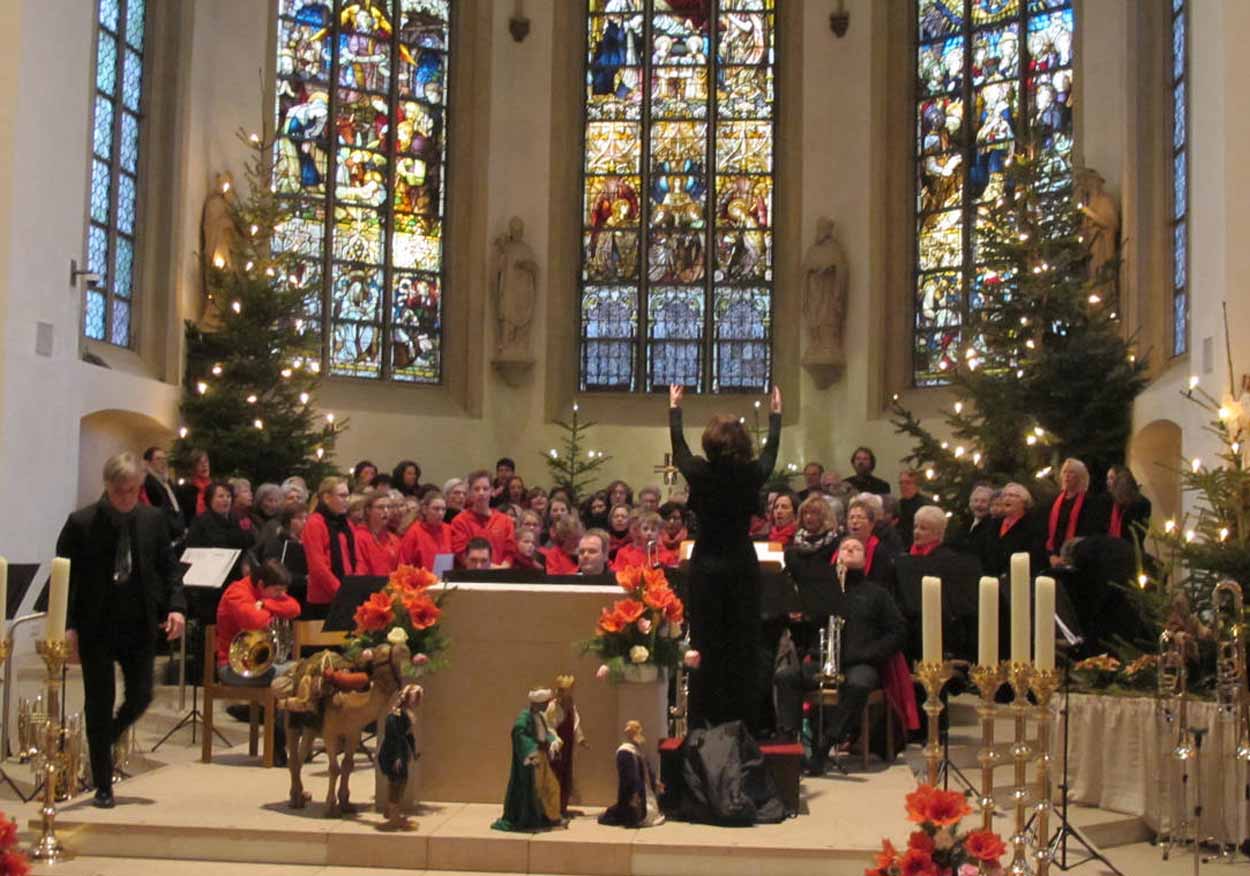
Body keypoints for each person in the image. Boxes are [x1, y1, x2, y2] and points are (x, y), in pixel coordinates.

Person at [57, 452, 187, 808]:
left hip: (138, 622)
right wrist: (67, 627)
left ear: (140, 487)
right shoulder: (81, 523)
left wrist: (176, 607)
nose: (126, 498)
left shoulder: (152, 519)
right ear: (107, 487)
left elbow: (169, 568)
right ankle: (103, 786)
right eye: (119, 491)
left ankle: (109, 736)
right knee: (98, 703)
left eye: (131, 490)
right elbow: (64, 580)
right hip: (96, 625)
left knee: (142, 694)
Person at [670, 382, 781, 732]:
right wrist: (776, 416)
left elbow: (679, 448)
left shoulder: (700, 473)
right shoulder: (751, 474)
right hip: (741, 565)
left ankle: (705, 720)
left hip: (707, 564)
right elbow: (770, 454)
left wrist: (675, 410)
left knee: (706, 640)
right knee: (742, 643)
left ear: (710, 442)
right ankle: (743, 722)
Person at [776, 537, 907, 774]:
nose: (850, 550)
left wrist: (869, 653)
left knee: (860, 683)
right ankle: (792, 745)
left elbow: (897, 631)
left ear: (865, 559)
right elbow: (806, 628)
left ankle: (824, 745)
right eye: (845, 547)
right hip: (823, 660)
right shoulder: (823, 590)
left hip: (859, 663)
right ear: (837, 556)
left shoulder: (877, 594)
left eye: (857, 548)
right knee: (786, 676)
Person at [215, 560, 300, 687]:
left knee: (301, 670)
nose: (282, 594)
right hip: (233, 668)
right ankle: (280, 707)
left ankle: (280, 707)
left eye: (284, 590)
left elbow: (294, 608)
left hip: (263, 665)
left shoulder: (266, 595)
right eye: (278, 590)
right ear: (261, 584)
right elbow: (256, 622)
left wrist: (265, 604)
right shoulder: (237, 592)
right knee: (297, 673)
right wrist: (274, 608)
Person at [491, 687, 563, 832]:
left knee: (552, 786)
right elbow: (519, 733)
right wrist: (531, 751)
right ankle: (535, 818)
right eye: (545, 702)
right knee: (535, 790)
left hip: (542, 757)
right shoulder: (524, 717)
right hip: (533, 758)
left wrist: (552, 741)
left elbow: (544, 733)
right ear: (538, 703)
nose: (547, 705)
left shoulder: (540, 716)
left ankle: (552, 816)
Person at [302, 476, 360, 615]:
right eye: (342, 496)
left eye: (347, 496)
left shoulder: (347, 524)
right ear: (327, 498)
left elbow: (358, 558)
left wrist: (356, 586)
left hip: (348, 595)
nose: (347, 500)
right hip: (323, 600)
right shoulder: (315, 523)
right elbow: (317, 566)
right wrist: (340, 592)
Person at [185, 481, 255, 584]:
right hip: (212, 575)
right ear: (210, 500)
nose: (226, 500)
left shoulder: (238, 518)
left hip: (237, 573)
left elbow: (249, 541)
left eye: (228, 496)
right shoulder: (201, 522)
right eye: (221, 496)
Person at [598, 720, 665, 828]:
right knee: (608, 815)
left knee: (606, 817)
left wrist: (653, 783)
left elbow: (634, 777)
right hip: (639, 795)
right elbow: (634, 777)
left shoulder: (630, 751)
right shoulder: (631, 751)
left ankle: (630, 813)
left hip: (637, 795)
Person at [1047, 458, 1108, 567]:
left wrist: (1069, 556)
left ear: (1080, 477)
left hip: (1078, 558)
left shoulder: (1091, 503)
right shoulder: (1053, 502)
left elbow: (1091, 533)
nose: (1067, 476)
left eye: (1071, 472)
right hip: (1053, 558)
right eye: (1065, 472)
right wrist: (1051, 556)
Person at [451, 470, 517, 567]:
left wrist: (502, 569)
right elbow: (461, 554)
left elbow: (510, 552)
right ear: (469, 492)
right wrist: (487, 568)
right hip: (472, 577)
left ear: (491, 491)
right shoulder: (459, 521)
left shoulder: (505, 521)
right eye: (476, 489)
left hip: (501, 576)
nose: (481, 493)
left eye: (485, 489)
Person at [984, 482, 1047, 578]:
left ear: (1024, 501)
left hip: (1020, 577)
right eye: (1004, 496)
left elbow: (1034, 556)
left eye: (1012, 495)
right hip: (993, 578)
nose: (1007, 498)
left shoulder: (1032, 525)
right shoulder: (994, 524)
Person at [830, 495, 897, 585]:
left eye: (860, 517)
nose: (854, 521)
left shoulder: (879, 551)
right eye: (851, 517)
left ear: (871, 524)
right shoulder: (839, 545)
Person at [545, 675, 587, 816]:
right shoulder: (552, 707)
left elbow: (575, 723)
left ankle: (562, 806)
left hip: (568, 746)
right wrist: (554, 742)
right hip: (557, 746)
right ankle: (553, 808)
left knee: (566, 774)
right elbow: (549, 727)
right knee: (556, 775)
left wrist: (580, 739)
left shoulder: (570, 705)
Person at [260, 502, 310, 608]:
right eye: (299, 518)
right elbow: (272, 571)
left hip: (305, 593)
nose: (304, 522)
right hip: (284, 594)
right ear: (288, 521)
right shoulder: (277, 542)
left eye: (306, 518)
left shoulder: (308, 541)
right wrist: (303, 579)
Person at [783, 496, 840, 579]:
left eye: (814, 513)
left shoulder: (834, 543)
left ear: (824, 516)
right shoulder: (794, 545)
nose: (808, 517)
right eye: (805, 513)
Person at [399, 490, 452, 572]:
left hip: (445, 581)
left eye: (443, 509)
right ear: (425, 509)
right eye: (436, 509)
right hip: (421, 582)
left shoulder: (448, 530)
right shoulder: (413, 533)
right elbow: (404, 565)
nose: (441, 513)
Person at [945, 483, 996, 567]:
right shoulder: (966, 523)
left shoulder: (992, 525)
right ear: (970, 503)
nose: (978, 505)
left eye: (983, 501)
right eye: (976, 501)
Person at [140, 446, 185, 539]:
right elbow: (163, 511)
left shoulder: (166, 481)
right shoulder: (150, 483)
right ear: (148, 463)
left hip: (175, 532)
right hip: (165, 534)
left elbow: (176, 505)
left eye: (164, 459)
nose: (163, 462)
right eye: (158, 459)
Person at [355, 492, 400, 576]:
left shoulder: (394, 539)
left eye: (389, 507)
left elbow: (400, 569)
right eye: (380, 507)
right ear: (368, 510)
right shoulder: (359, 537)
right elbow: (360, 572)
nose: (386, 511)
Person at [1107, 465, 1151, 547]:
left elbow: (1139, 533)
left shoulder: (1141, 503)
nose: (1108, 482)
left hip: (1131, 550)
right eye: (1108, 478)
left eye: (1112, 478)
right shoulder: (1108, 501)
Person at [175, 448, 213, 527]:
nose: (204, 465)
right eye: (200, 462)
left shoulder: (214, 488)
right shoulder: (184, 490)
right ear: (193, 467)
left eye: (206, 461)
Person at [895, 470, 924, 550]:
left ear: (917, 485)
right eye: (901, 483)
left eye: (908, 483)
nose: (903, 486)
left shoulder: (924, 506)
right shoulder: (897, 505)